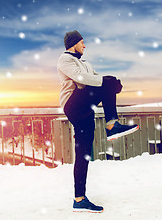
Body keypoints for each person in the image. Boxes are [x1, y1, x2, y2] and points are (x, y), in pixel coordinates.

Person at [57, 30, 139, 213]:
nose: (84, 46)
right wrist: (106, 81)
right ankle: (111, 125)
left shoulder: (86, 63)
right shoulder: (65, 59)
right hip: (73, 104)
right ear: (73, 43)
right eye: (82, 42)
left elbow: (96, 79)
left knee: (83, 154)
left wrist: (113, 85)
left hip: (86, 111)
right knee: (105, 82)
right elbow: (82, 79)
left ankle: (79, 199)